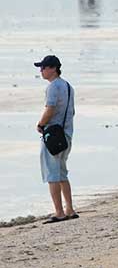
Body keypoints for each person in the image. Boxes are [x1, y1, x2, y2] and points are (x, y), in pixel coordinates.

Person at [34, 55, 78, 224]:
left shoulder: (53, 87)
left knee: (52, 174)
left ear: (53, 68)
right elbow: (72, 112)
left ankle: (59, 212)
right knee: (62, 172)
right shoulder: (68, 86)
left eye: (43, 67)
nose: (41, 71)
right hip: (67, 135)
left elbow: (50, 109)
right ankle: (70, 209)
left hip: (53, 135)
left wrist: (40, 124)